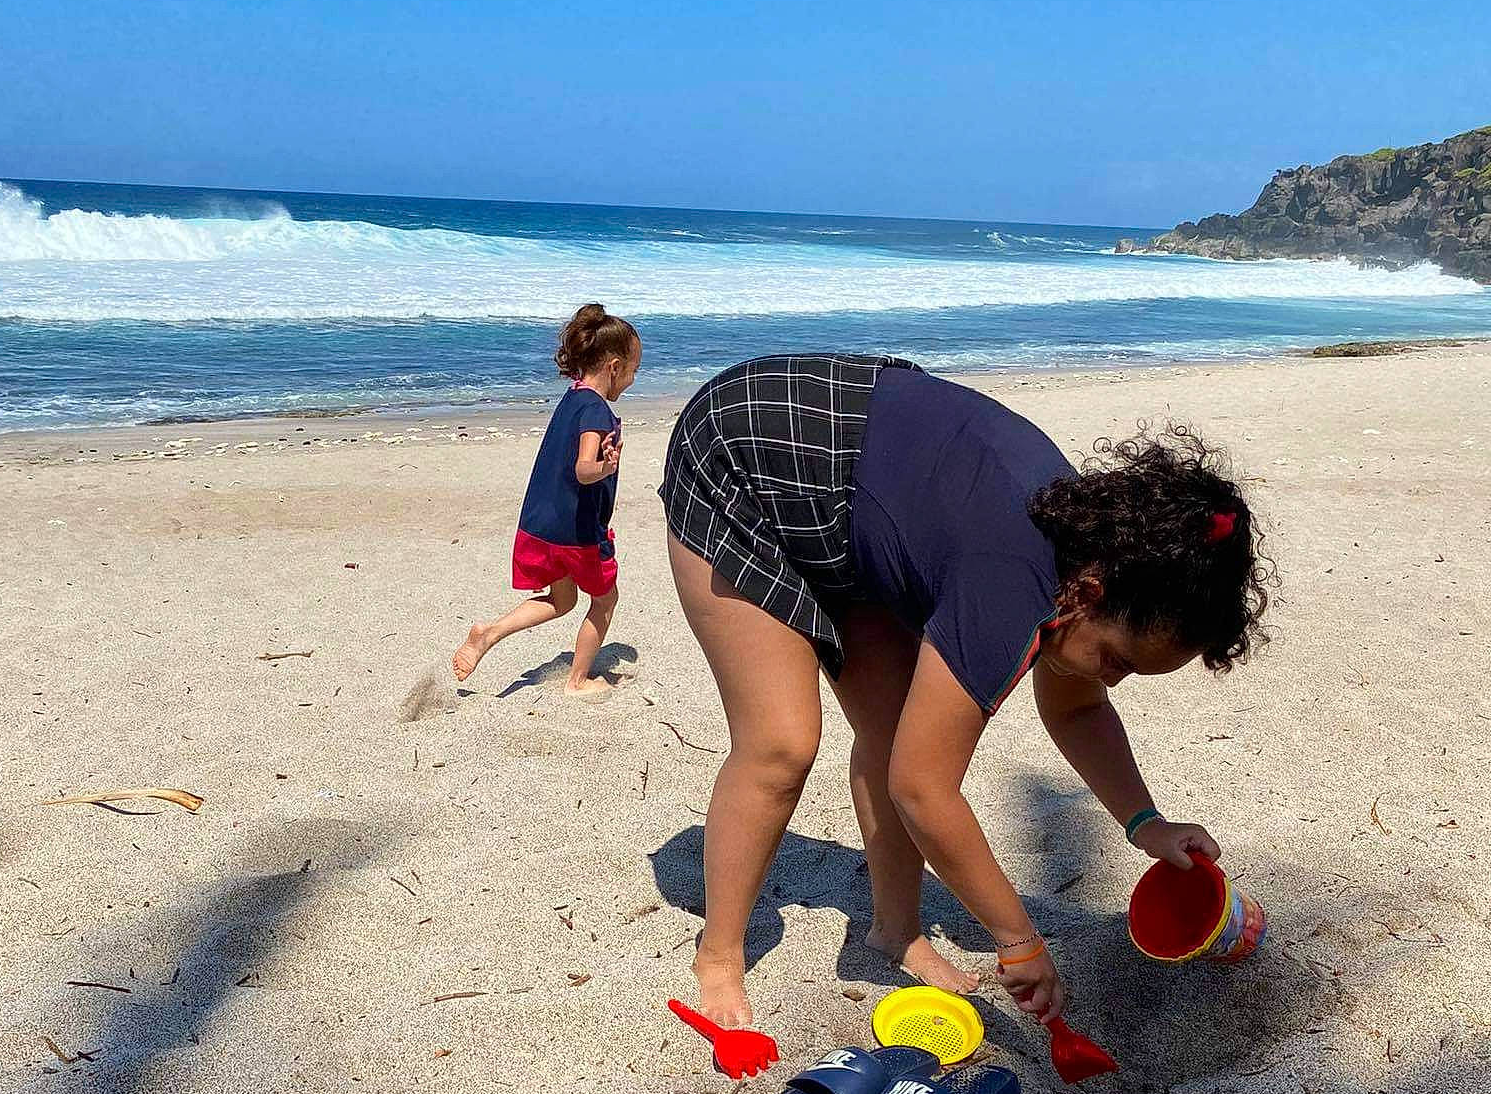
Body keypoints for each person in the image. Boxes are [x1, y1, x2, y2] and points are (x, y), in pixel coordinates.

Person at [660, 354, 1272, 1027]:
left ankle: (894, 933)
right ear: (1089, 595)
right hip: (746, 454)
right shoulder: (1011, 579)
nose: (1110, 680)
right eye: (1117, 661)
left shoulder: (1091, 555)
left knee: (896, 733)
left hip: (849, 491)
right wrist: (1017, 939)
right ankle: (718, 954)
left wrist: (1144, 823)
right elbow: (925, 789)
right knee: (781, 742)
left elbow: (1077, 706)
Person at [453, 305, 641, 697]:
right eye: (633, 371)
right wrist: (606, 468)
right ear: (613, 366)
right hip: (578, 535)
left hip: (542, 524)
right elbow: (583, 469)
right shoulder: (596, 410)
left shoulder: (572, 398)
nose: (633, 380)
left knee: (562, 599)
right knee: (605, 600)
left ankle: (488, 634)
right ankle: (577, 680)